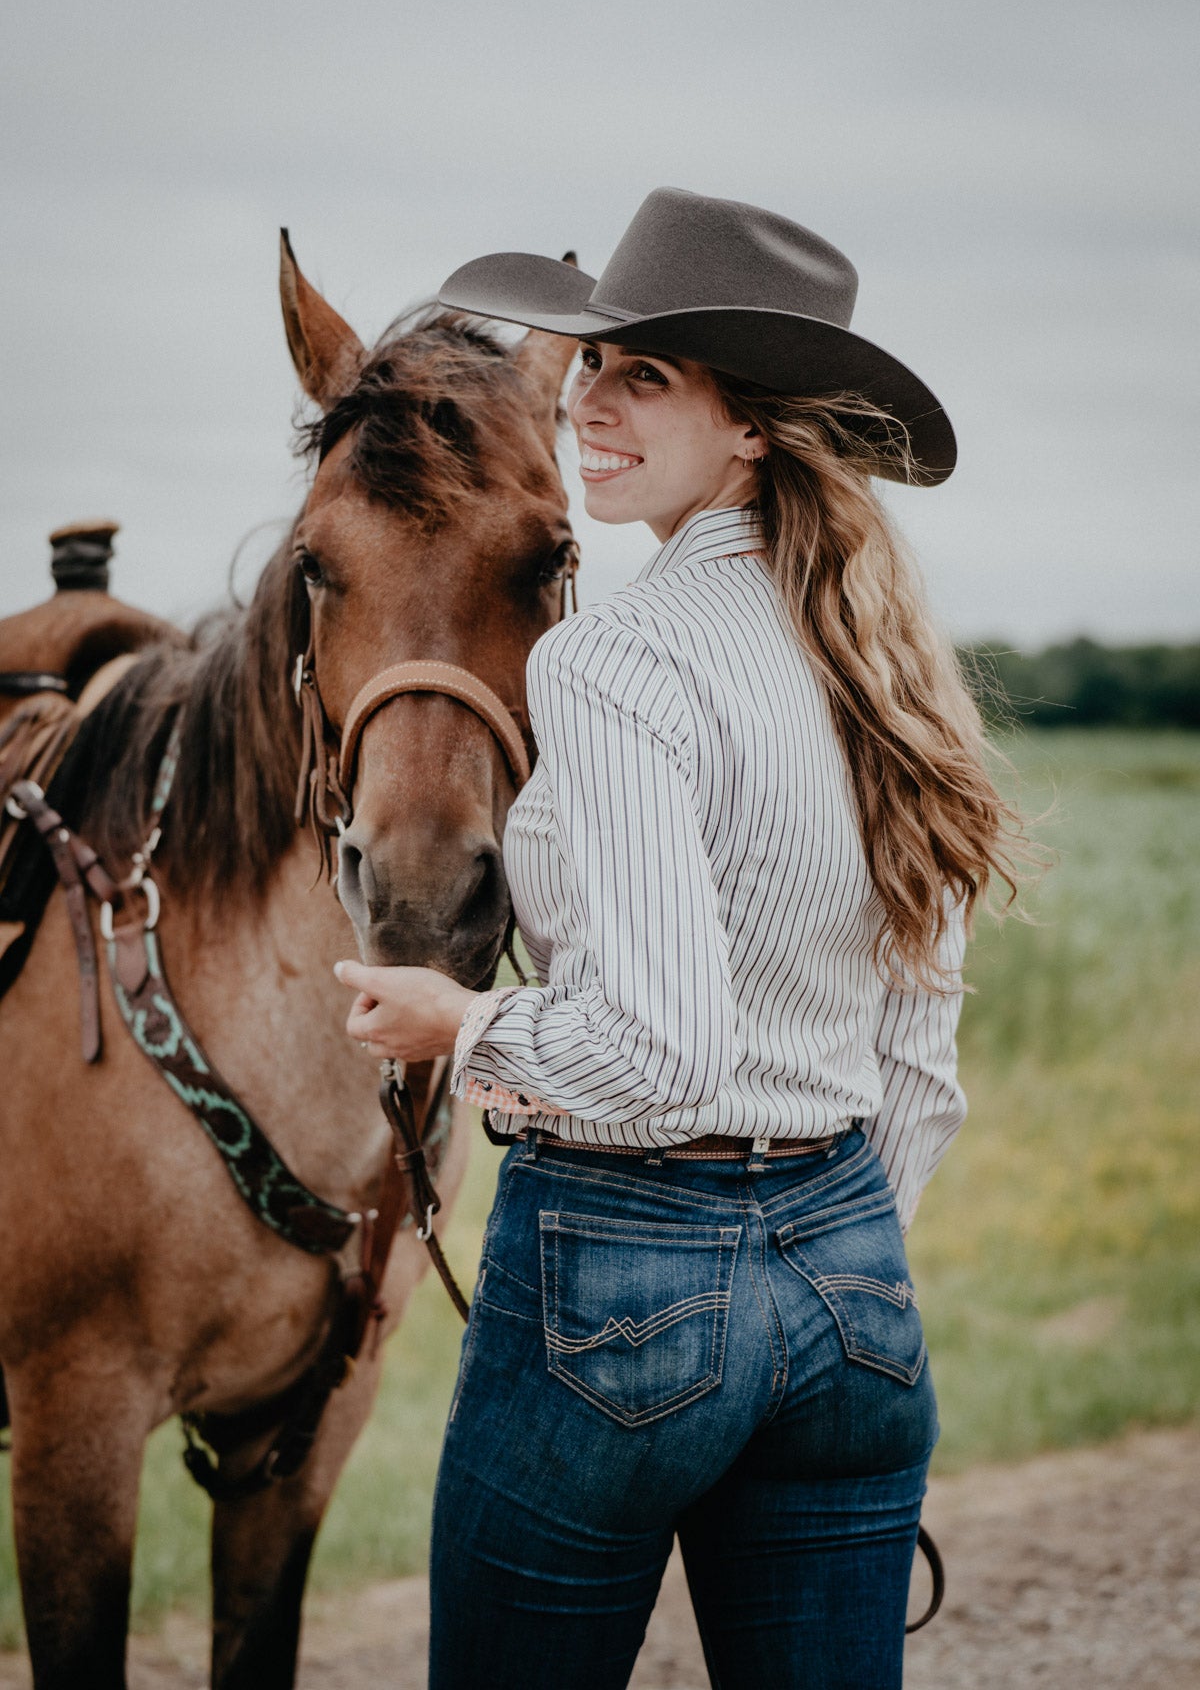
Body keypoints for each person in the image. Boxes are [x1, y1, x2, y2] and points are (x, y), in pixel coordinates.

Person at [334, 188, 1022, 1689]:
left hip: (618, 1273)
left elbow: (664, 1050)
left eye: (643, 375)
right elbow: (920, 1051)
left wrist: (463, 1026)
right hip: (854, 1277)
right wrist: (825, 1264)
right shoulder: (885, 663)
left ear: (754, 427)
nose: (588, 403)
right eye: (591, 363)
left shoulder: (613, 658)